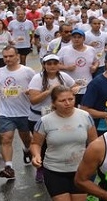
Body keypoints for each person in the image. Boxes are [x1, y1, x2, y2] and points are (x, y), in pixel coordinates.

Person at [30, 86, 98, 201]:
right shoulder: (45, 121)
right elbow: (36, 143)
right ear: (54, 103)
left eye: (70, 99)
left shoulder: (84, 117)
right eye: (62, 100)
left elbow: (94, 142)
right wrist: (36, 155)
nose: (67, 103)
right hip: (55, 170)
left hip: (80, 171)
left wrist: (98, 162)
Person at [27, 53, 78, 183]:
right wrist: (49, 91)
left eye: (55, 63)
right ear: (44, 65)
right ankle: (40, 168)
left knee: (58, 142)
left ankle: (62, 167)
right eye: (49, 64)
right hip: (38, 117)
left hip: (59, 117)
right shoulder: (37, 79)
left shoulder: (64, 77)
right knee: (41, 145)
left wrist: (75, 90)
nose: (52, 66)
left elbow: (74, 87)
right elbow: (33, 100)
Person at [0, 46, 37, 179]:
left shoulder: (27, 71)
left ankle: (27, 150)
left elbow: (37, 85)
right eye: (5, 56)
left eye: (10, 56)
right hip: (5, 112)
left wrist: (30, 91)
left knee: (27, 138)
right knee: (6, 138)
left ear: (17, 56)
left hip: (24, 111)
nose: (7, 59)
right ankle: (9, 167)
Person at [58, 28, 98, 105]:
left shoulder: (91, 50)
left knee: (86, 107)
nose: (76, 39)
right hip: (70, 86)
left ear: (84, 39)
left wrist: (94, 67)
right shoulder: (64, 50)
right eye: (74, 37)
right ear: (71, 38)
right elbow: (56, 65)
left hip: (87, 85)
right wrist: (67, 68)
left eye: (79, 37)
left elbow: (96, 61)